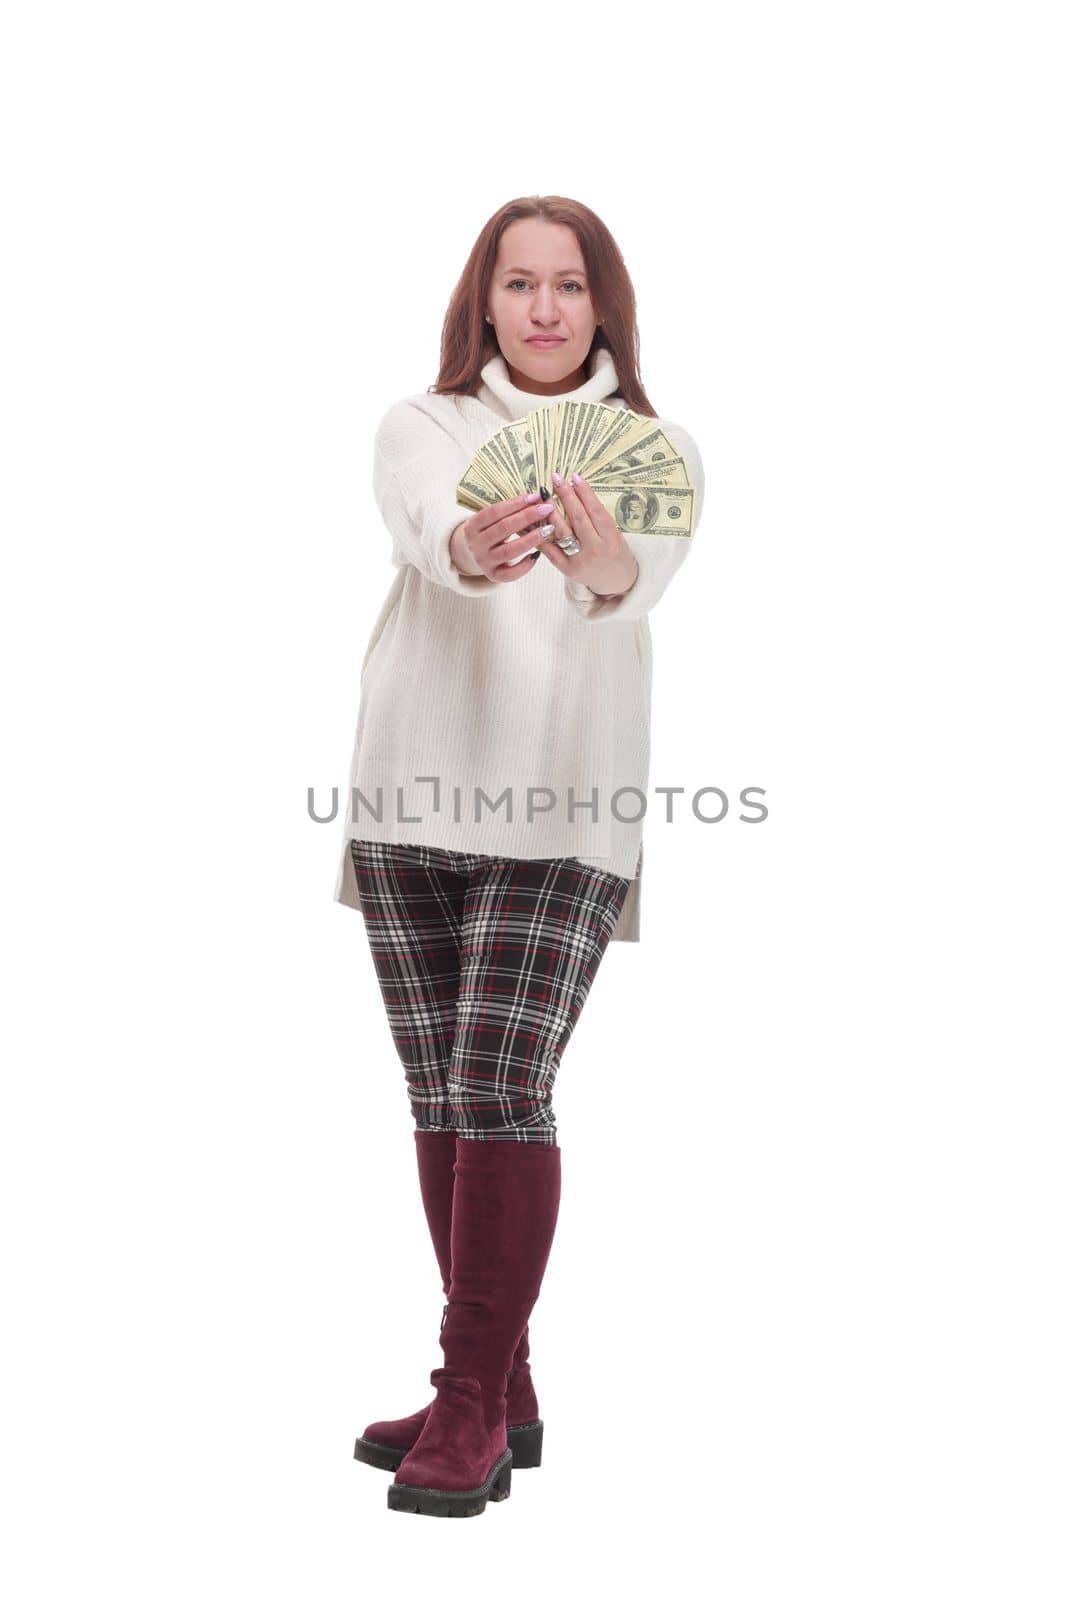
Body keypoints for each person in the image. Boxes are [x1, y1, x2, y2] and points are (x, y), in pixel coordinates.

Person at [335, 194, 705, 1517]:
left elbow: (630, 581)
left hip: (562, 803)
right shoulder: (420, 426)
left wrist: (602, 559)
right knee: (445, 1092)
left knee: (500, 1075)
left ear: (605, 307)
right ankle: (504, 1380)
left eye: (569, 285)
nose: (544, 309)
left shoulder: (653, 449)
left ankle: (468, 1398)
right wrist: (468, 544)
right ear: (483, 303)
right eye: (519, 284)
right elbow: (426, 521)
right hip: (411, 795)